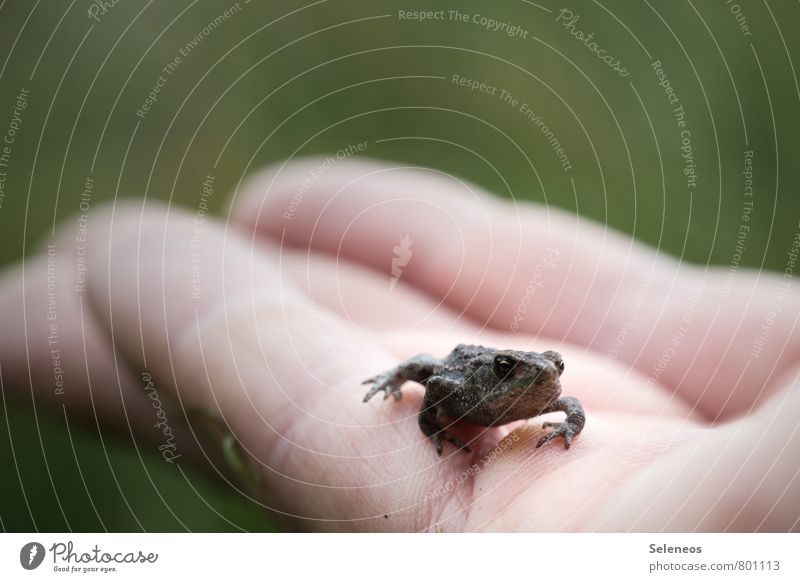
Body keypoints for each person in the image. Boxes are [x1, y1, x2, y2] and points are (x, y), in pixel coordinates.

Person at [1, 158, 798, 532]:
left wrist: (561, 423)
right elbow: (434, 388)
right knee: (418, 375)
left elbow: (574, 403)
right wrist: (422, 409)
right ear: (500, 371)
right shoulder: (471, 380)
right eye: (526, 371)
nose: (545, 380)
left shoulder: (547, 393)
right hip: (452, 365)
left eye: (546, 372)